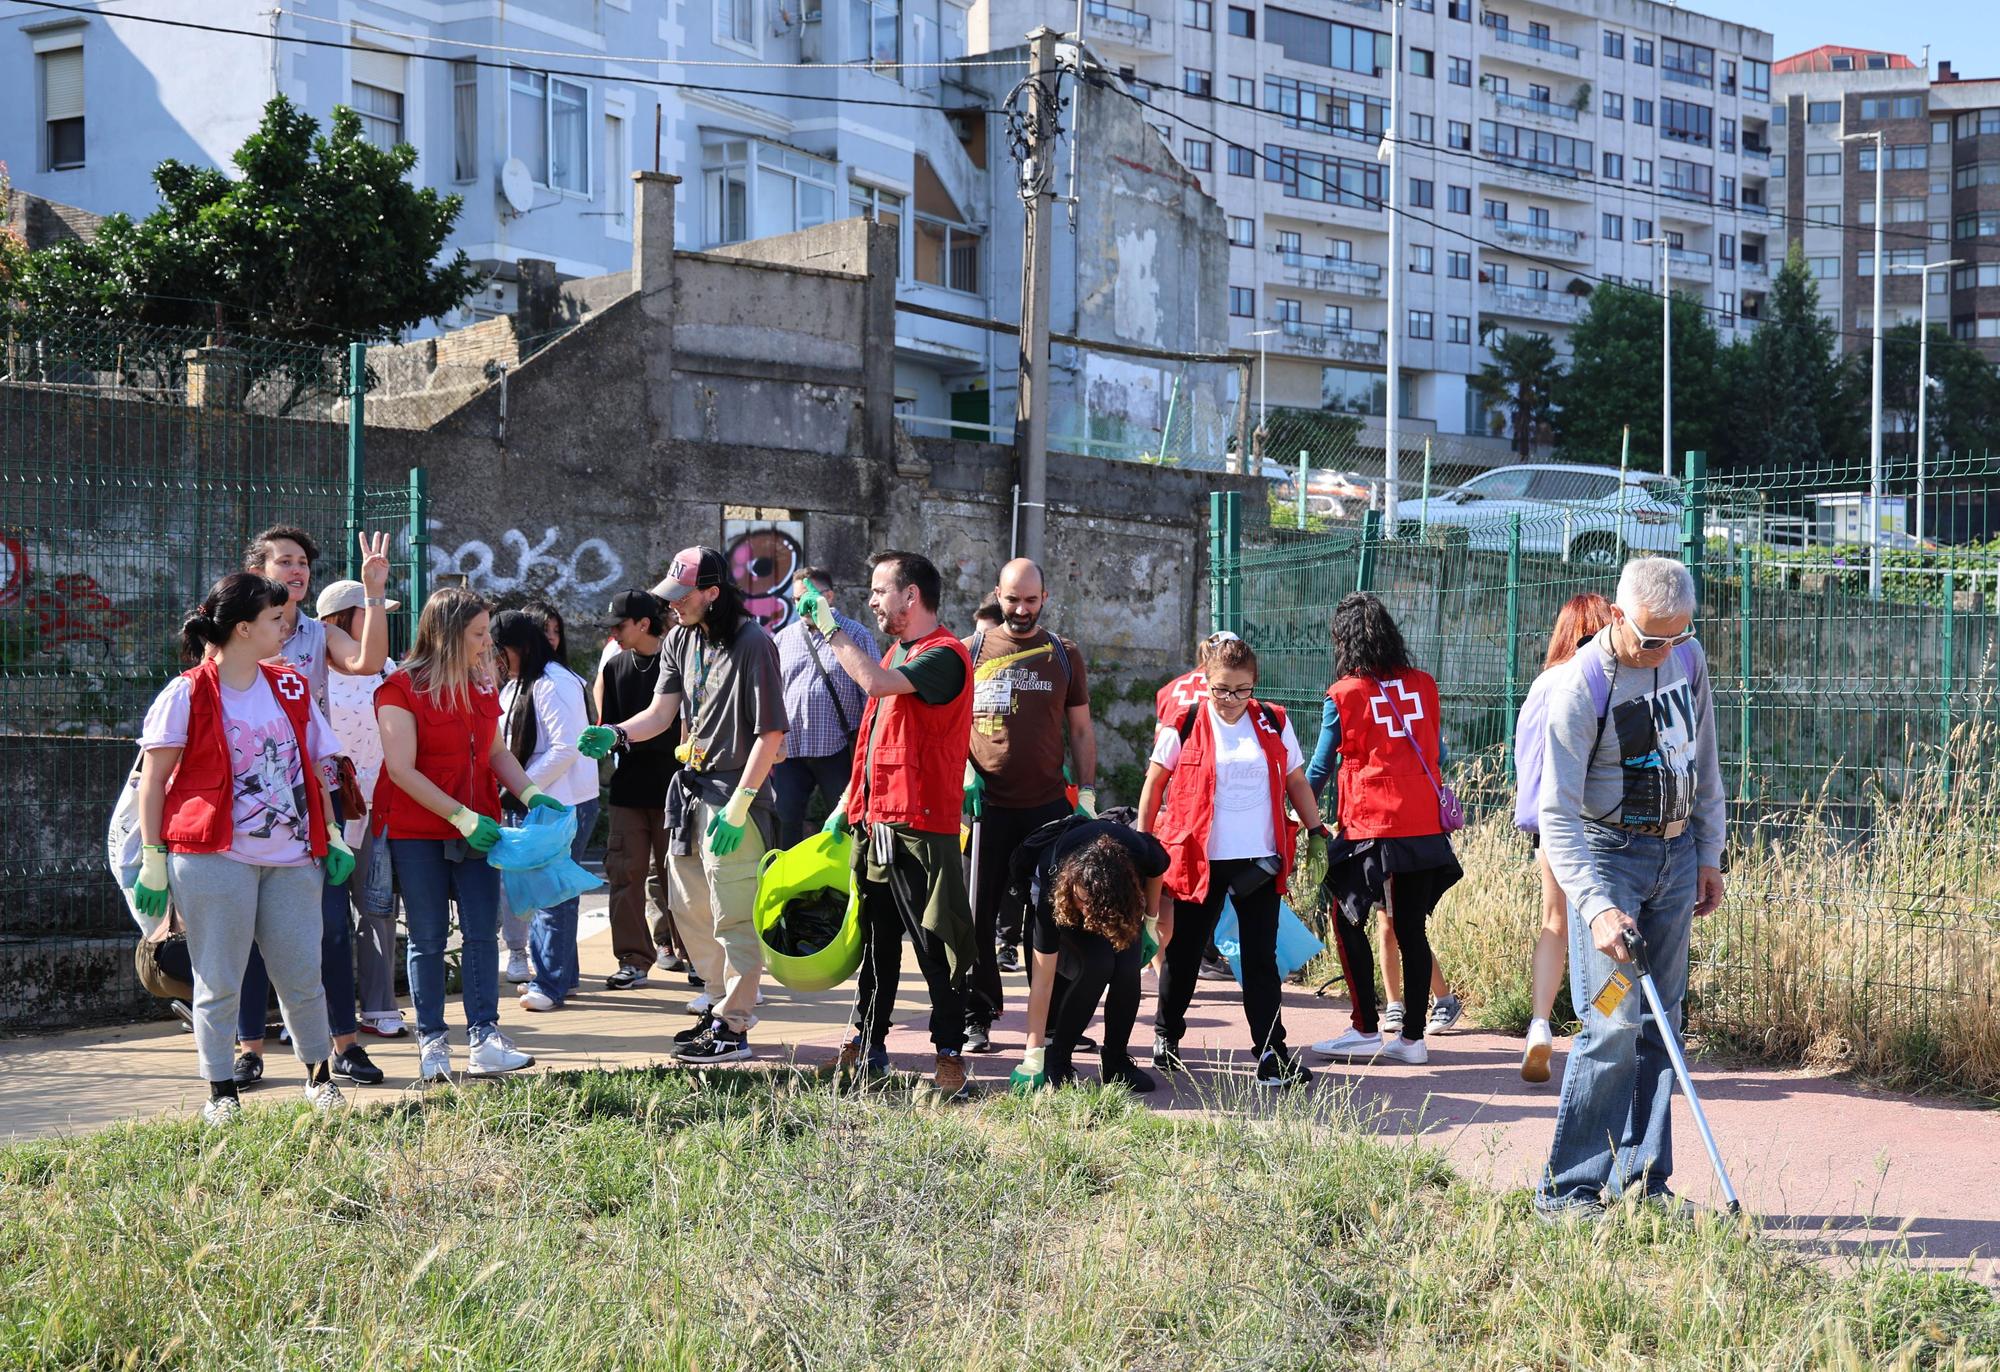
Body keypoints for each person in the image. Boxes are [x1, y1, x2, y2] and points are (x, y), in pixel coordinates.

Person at [1536, 558, 1726, 1217]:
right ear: (1617, 617)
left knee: (1662, 1025)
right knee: (1612, 1022)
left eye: (1677, 637)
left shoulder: (1687, 658)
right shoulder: (1579, 688)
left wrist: (1710, 851)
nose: (1663, 652)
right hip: (1609, 863)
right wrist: (1595, 910)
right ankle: (1568, 1190)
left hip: (1675, 862)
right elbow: (1556, 813)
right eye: (1651, 639)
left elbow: (1704, 760)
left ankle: (1645, 1184)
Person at [132, 572, 354, 1123]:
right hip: (211, 858)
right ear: (243, 628)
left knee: (303, 974)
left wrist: (332, 832)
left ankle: (319, 1077)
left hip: (293, 859)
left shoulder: (291, 686)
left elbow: (320, 766)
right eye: (275, 619)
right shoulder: (186, 692)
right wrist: (155, 857)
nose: (286, 627)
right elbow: (154, 782)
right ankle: (220, 1092)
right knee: (218, 978)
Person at [579, 547, 786, 1063]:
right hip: (689, 790)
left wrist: (741, 804)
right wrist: (616, 733)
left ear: (713, 594)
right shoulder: (680, 639)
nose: (674, 606)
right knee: (690, 910)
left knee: (733, 916)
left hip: (734, 796)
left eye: (683, 596)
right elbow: (660, 712)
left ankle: (735, 1026)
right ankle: (717, 1009)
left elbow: (772, 734)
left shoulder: (754, 644)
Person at [798, 552, 976, 1099]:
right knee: (876, 943)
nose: (872, 601)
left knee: (935, 944)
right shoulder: (902, 649)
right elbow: (877, 744)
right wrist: (845, 806)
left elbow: (873, 684)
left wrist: (829, 630)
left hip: (921, 829)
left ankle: (949, 1057)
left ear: (911, 595)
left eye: (880, 590)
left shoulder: (944, 656)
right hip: (877, 824)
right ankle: (867, 1045)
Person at [375, 587, 561, 1083]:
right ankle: (433, 1042)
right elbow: (401, 770)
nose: (487, 644)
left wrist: (531, 792)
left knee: (483, 934)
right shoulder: (399, 688)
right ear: (447, 632)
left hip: (481, 830)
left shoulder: (481, 683)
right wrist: (460, 816)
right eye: (478, 634)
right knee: (428, 938)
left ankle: (485, 1038)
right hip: (420, 833)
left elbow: (497, 754)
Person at [232, 526, 392, 1090]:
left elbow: (369, 661)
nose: (297, 570)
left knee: (329, 925)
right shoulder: (235, 628)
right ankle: (247, 1047)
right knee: (249, 928)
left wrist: (372, 593)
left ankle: (344, 1044)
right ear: (259, 570)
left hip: (314, 794)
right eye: (284, 561)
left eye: (303, 562)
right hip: (250, 795)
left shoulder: (316, 632)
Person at [1137, 636, 1324, 1088]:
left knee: (1261, 959)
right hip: (1199, 859)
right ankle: (1166, 1034)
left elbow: (1296, 780)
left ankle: (1270, 1053)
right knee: (1182, 954)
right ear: (1206, 682)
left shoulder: (1273, 720)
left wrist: (1317, 831)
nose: (1231, 700)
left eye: (1241, 690)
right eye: (1221, 689)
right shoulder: (1185, 721)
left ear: (1254, 684)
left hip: (1258, 860)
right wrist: (1142, 845)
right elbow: (1153, 786)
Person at [1304, 594, 1464, 1067]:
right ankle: (1413, 1040)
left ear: (1344, 640)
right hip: (1421, 826)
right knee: (1411, 928)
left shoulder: (1346, 694)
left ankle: (1363, 1026)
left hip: (1370, 823)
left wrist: (1292, 810)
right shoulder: (1424, 685)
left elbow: (1318, 770)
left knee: (1346, 915)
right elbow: (1436, 753)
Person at [962, 558, 1097, 1049]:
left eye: (1031, 600)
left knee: (1054, 915)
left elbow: (1080, 729)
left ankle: (1056, 1021)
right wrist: (964, 772)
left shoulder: (1063, 654)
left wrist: (1086, 793)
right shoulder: (969, 651)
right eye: (1012, 599)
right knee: (977, 915)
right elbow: (948, 725)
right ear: (997, 595)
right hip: (987, 808)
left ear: (1045, 598)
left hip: (1048, 810)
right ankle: (977, 1015)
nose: (1021, 609)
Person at [1514, 592, 1618, 1083]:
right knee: (1612, 931)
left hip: (1554, 825)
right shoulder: (1608, 677)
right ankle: (1601, 1024)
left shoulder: (1544, 683)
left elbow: (1527, 759)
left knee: (1554, 922)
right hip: (1606, 826)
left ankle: (1539, 1026)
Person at [1012, 815, 1167, 1093]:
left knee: (1127, 968)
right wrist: (1031, 1056)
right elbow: (1042, 982)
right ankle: (1057, 1060)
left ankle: (1116, 1061)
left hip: (1115, 902)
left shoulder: (1137, 851)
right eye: (1084, 901)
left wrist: (1150, 923)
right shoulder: (1053, 880)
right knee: (1098, 963)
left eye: (1091, 906)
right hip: (1063, 908)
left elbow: (1157, 867)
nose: (1087, 912)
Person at [493, 610, 600, 1013]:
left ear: (517, 647)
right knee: (548, 893)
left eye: (499, 650)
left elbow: (565, 746)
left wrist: (520, 789)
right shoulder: (517, 684)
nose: (496, 660)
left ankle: (550, 983)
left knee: (553, 895)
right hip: (542, 801)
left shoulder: (553, 682)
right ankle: (560, 977)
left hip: (563, 801)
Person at [316, 579, 406, 1040]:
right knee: (320, 919)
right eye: (368, 612)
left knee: (377, 909)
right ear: (339, 620)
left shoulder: (386, 667)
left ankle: (379, 1007)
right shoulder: (308, 669)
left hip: (377, 808)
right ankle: (316, 1018)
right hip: (324, 809)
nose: (378, 622)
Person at [595, 589, 689, 989]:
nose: (614, 633)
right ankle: (632, 959)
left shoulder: (682, 662)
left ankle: (695, 956)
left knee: (682, 879)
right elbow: (610, 728)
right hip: (628, 790)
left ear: (643, 624)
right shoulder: (614, 667)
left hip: (676, 788)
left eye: (620, 625)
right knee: (624, 875)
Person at [771, 567, 876, 850]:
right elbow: (774, 693)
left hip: (838, 750)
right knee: (784, 822)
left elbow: (871, 696)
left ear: (828, 596)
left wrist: (869, 750)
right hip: (791, 752)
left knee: (847, 822)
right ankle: (789, 886)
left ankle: (846, 886)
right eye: (795, 600)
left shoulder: (856, 634)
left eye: (807, 598)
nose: (800, 606)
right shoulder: (783, 638)